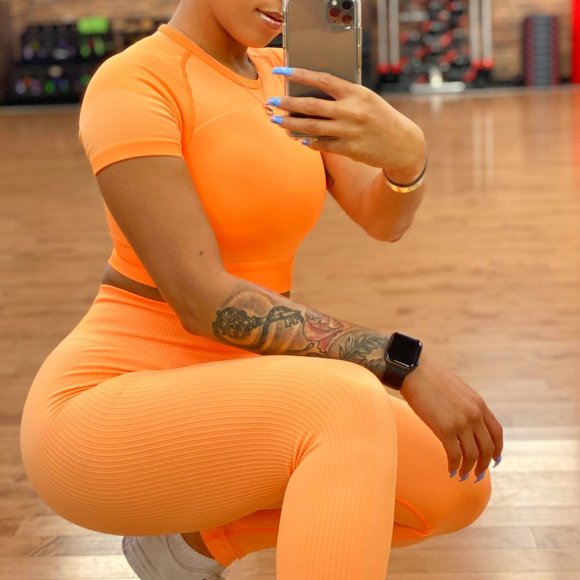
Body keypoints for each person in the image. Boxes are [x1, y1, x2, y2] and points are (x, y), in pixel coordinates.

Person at [19, 1, 504, 579]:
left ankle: (189, 546)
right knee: (345, 402)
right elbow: (203, 301)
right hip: (106, 405)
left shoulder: (289, 78)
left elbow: (383, 220)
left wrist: (408, 160)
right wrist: (401, 361)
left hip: (240, 383)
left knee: (456, 484)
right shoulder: (134, 81)